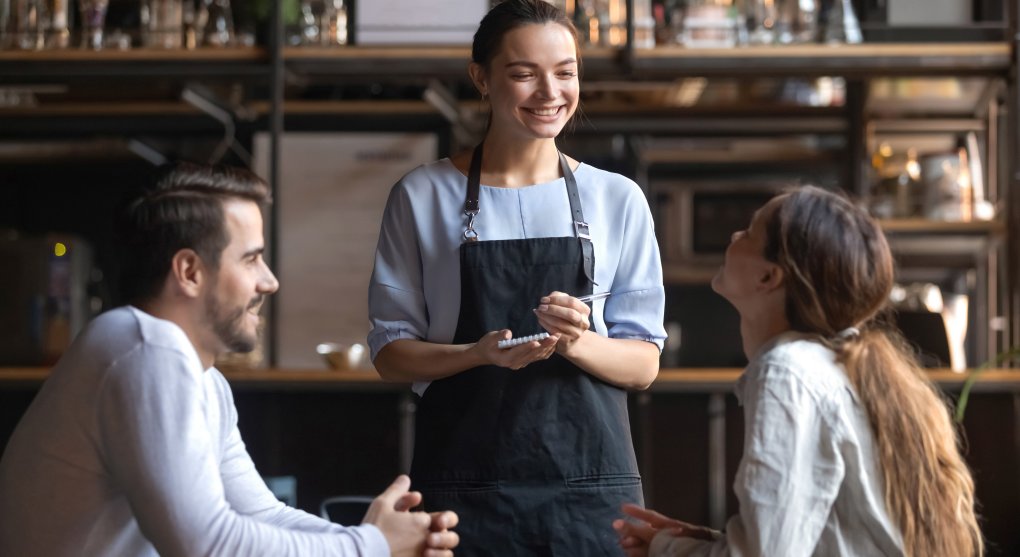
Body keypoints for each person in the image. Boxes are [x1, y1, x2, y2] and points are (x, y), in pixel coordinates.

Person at [0, 163, 459, 557]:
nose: (270, 281)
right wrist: (370, 545)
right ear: (190, 272)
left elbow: (258, 513)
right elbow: (208, 545)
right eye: (251, 259)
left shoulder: (200, 376)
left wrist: (379, 540)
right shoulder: (144, 347)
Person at [367, 0, 667, 553]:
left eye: (566, 73)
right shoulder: (422, 195)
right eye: (524, 73)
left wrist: (576, 343)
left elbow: (644, 362)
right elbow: (391, 352)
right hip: (463, 488)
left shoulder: (617, 199)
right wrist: (476, 354)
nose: (550, 92)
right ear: (481, 77)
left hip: (588, 489)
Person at [613, 186, 983, 556]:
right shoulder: (823, 364)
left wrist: (665, 548)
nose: (733, 236)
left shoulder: (787, 372)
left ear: (768, 278)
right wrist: (707, 541)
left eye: (749, 233)